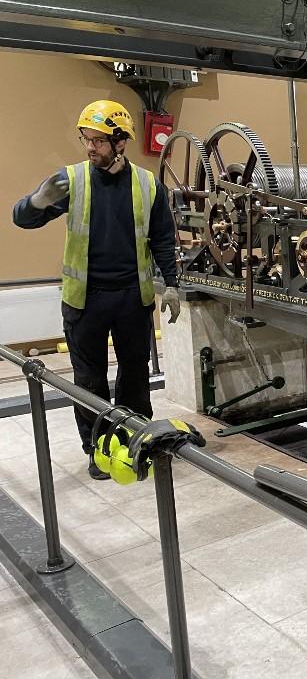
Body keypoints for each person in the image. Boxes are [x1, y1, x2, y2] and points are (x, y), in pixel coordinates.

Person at [13, 100, 181, 480]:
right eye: (86, 139)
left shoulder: (145, 184)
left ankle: (136, 441)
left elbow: (163, 239)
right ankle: (99, 449)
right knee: (89, 381)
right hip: (85, 301)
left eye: (99, 141)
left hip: (131, 300)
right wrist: (38, 201)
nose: (90, 147)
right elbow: (22, 218)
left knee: (135, 377)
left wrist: (171, 284)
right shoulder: (72, 180)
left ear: (121, 142)